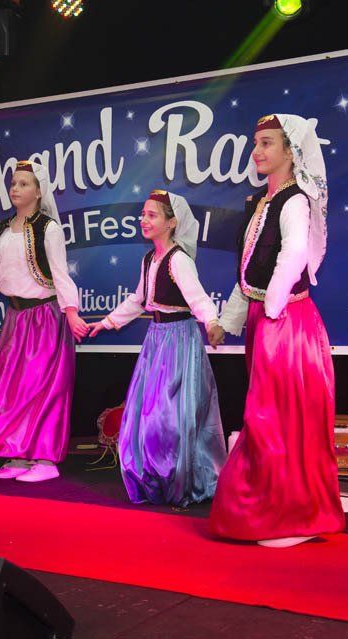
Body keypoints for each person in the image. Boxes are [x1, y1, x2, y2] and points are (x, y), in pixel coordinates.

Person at [208, 113, 345, 548]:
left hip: (288, 324)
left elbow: (294, 254)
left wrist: (272, 306)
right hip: (266, 319)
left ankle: (291, 514)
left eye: (267, 143)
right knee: (268, 420)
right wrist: (229, 322)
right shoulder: (260, 202)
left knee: (278, 421)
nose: (258, 151)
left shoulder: (295, 200)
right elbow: (249, 272)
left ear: (291, 152)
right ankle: (273, 508)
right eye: (256, 143)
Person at [89, 189, 226, 506]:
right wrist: (107, 322)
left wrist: (213, 324)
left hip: (179, 341)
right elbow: (138, 300)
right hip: (157, 339)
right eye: (143, 214)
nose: (144, 220)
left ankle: (178, 478)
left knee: (170, 417)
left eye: (152, 215)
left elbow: (199, 299)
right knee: (147, 413)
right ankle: (155, 476)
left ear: (172, 222)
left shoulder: (178, 260)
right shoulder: (150, 258)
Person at [0, 160, 87, 483]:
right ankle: (16, 454)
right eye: (14, 183)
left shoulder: (48, 229)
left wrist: (71, 313)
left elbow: (60, 274)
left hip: (44, 318)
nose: (16, 188)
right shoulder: (1, 230)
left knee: (41, 388)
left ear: (39, 192)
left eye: (24, 184)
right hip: (16, 320)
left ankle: (44, 458)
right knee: (6, 388)